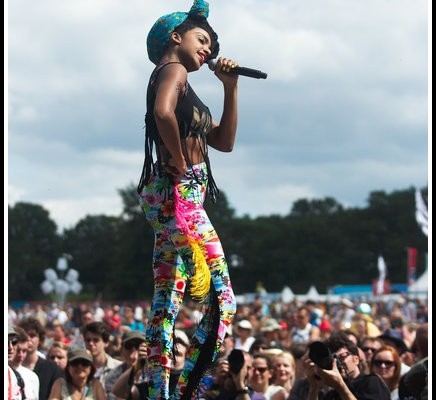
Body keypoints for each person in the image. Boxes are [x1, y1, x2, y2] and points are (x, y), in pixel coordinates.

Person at [136, 0, 239, 398]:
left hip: (172, 196)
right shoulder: (173, 68)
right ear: (175, 38)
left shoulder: (185, 85)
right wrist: (178, 160)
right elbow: (163, 113)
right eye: (202, 39)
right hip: (178, 194)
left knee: (166, 304)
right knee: (223, 300)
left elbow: (224, 142)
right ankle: (186, 390)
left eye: (212, 45)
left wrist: (230, 87)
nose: (208, 49)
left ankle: (161, 392)